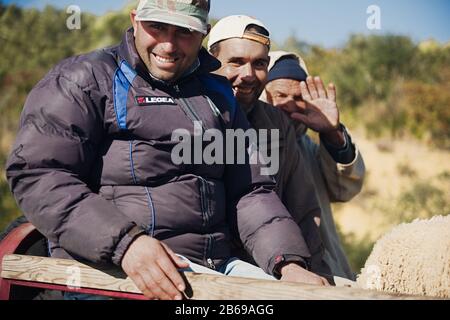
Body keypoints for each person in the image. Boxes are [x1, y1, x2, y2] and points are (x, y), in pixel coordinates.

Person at [5, 1, 326, 301]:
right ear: (135, 21)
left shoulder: (218, 96)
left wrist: (288, 263)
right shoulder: (86, 80)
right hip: (110, 271)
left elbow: (250, 191)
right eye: (157, 26)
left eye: (184, 31)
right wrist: (127, 244)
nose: (168, 45)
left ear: (202, 33)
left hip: (213, 270)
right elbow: (40, 174)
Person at [207, 15, 332, 283]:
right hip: (202, 264)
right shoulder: (187, 112)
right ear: (211, 62)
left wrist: (315, 275)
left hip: (274, 263)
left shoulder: (276, 124)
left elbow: (304, 209)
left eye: (260, 63)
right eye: (236, 62)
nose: (249, 75)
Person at [262, 50, 366, 280]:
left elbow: (344, 190)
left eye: (298, 97)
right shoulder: (242, 141)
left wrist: (332, 133)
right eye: (280, 94)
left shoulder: (306, 145)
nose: (289, 104)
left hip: (326, 271)